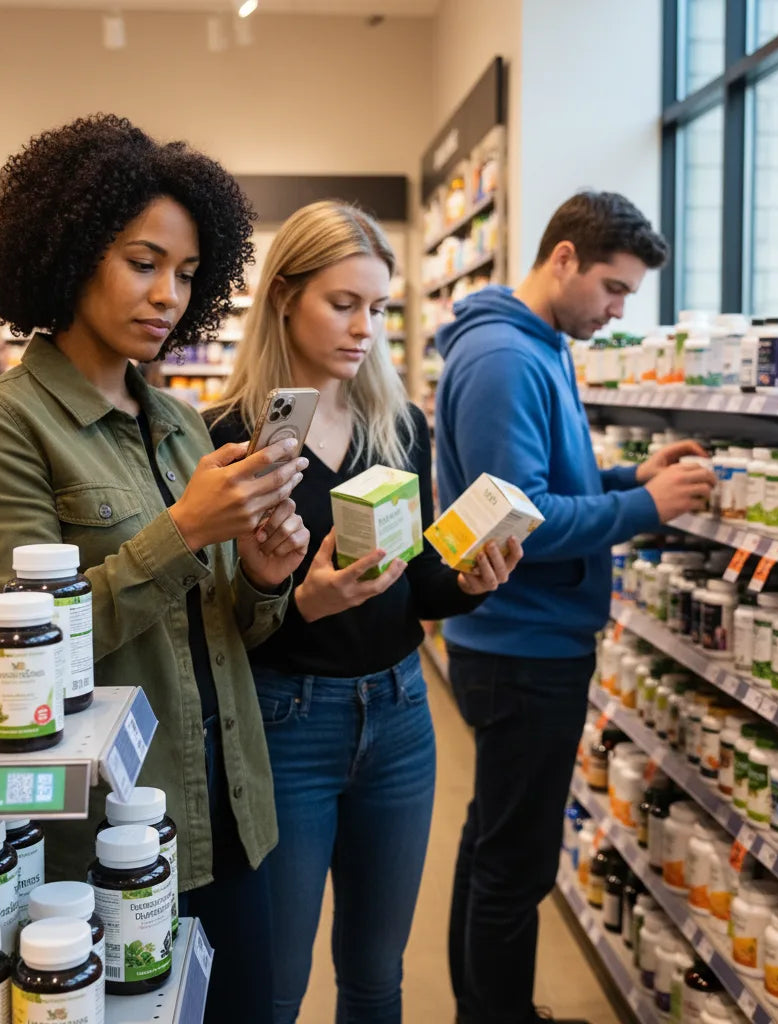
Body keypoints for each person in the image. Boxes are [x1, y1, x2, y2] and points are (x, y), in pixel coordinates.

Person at [0, 114, 311, 1024]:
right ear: (68, 254)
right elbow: (12, 654)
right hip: (107, 842)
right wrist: (182, 533)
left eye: (187, 274)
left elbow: (233, 629)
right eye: (143, 263)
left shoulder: (182, 424)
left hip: (233, 810)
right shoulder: (2, 424)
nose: (168, 296)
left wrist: (263, 574)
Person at [207, 199, 523, 1024]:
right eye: (342, 304)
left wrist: (472, 582)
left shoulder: (398, 424)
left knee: (378, 974)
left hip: (400, 716)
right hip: (285, 724)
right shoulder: (226, 440)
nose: (364, 329)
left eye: (377, 308)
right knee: (275, 984)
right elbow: (215, 619)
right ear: (284, 297)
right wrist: (298, 600)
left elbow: (414, 584)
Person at [434, 190, 717, 1024]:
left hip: (523, 640)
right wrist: (647, 510)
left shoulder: (539, 343)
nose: (619, 308)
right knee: (515, 866)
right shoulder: (507, 359)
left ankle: (484, 1009)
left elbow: (556, 486)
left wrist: (632, 479)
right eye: (613, 288)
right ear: (563, 259)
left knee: (495, 843)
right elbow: (522, 513)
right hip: (523, 647)